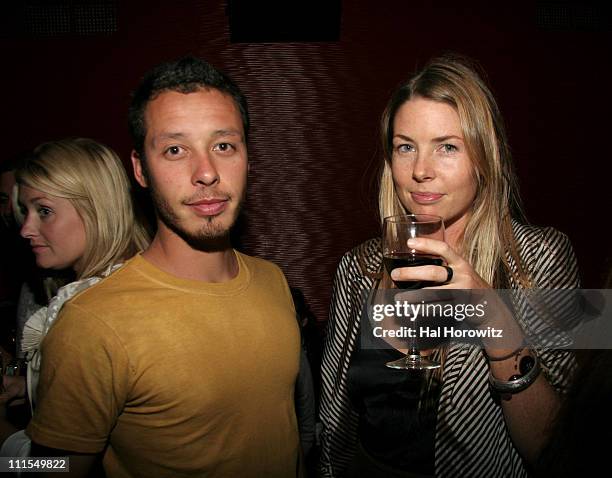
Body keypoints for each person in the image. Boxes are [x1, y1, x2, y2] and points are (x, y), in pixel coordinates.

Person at [27, 57, 303, 477]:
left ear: (248, 155)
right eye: (175, 150)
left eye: (224, 146)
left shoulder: (272, 280)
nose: (206, 172)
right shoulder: (91, 323)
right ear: (140, 169)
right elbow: (47, 466)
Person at [319, 55, 580, 477]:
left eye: (447, 147)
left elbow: (554, 450)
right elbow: (334, 414)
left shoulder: (539, 259)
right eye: (406, 147)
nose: (421, 170)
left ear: (483, 158)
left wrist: (495, 318)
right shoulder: (359, 267)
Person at [0, 137, 149, 459]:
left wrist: (2, 439)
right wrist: (30, 386)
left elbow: (57, 467)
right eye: (25, 211)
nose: (26, 228)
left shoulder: (91, 317)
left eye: (44, 211)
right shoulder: (132, 281)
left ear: (96, 208)